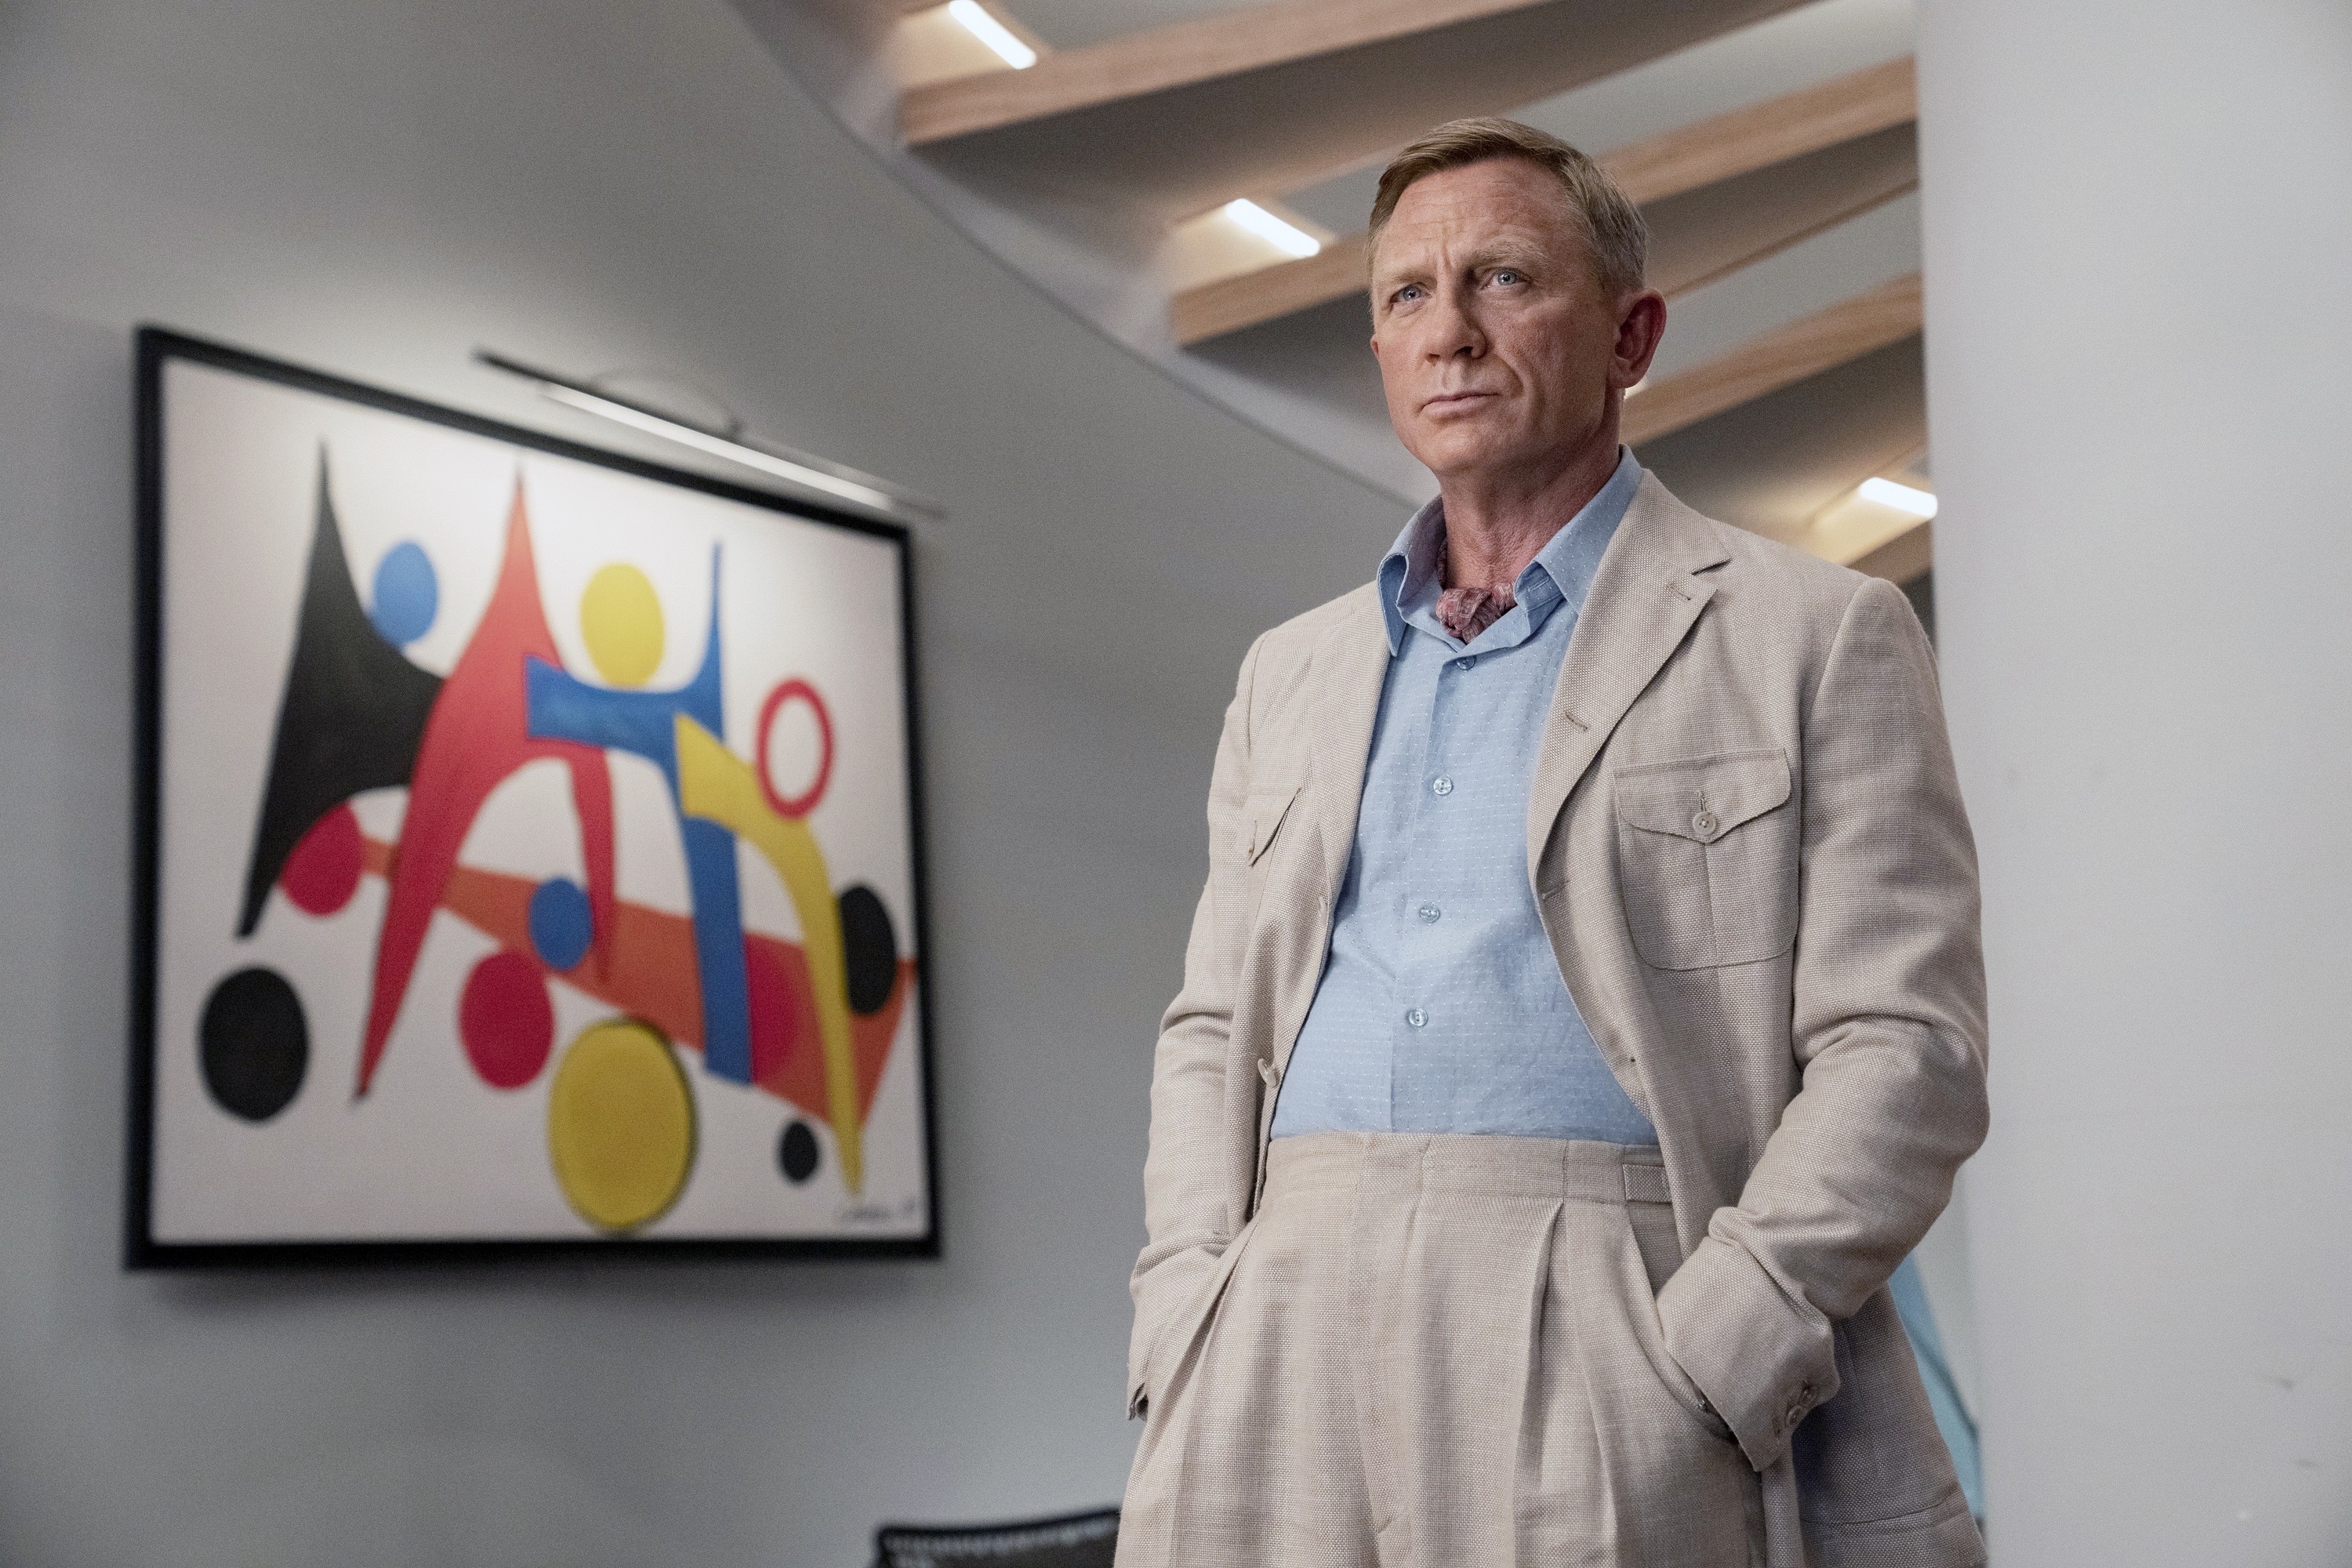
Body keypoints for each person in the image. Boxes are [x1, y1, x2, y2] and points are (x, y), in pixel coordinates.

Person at [1116, 118, 1988, 1568]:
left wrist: (1731, 1322)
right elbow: (1212, 1024)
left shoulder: (1814, 634)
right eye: (1407, 294)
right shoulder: (1292, 671)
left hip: (1614, 1296)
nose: (1448, 332)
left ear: (1631, 334)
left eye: (1506, 279)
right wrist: (1185, 1295)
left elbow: (1908, 1043)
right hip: (1274, 1317)